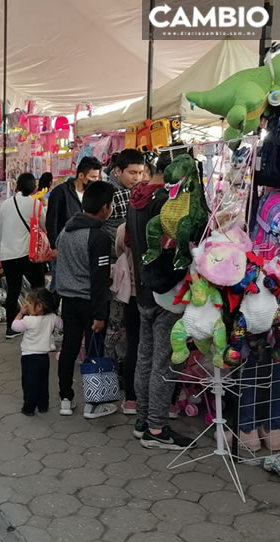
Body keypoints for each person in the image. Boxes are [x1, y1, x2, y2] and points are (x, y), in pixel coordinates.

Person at [127, 152, 194, 450]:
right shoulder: (166, 201)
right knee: (162, 364)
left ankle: (143, 421)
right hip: (167, 292)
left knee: (145, 358)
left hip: (144, 288)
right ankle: (156, 429)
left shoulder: (137, 197)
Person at [54, 181, 119, 419]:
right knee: (94, 350)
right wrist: (101, 314)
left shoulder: (66, 231)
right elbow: (99, 279)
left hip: (68, 300)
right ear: (104, 207)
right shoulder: (98, 236)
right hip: (90, 303)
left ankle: (65, 398)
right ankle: (95, 403)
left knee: (69, 349)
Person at [0, 173, 47, 339]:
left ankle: (11, 328)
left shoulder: (5, 204)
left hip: (7, 254)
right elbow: (44, 226)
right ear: (34, 188)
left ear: (17, 186)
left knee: (13, 290)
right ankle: (37, 324)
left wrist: (0, 248)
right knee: (38, 287)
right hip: (27, 254)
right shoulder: (35, 204)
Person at [46, 157, 102, 291]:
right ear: (81, 175)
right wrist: (54, 246)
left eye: (97, 177)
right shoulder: (61, 192)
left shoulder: (93, 194)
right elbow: (51, 220)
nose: (96, 181)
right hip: (63, 248)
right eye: (93, 177)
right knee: (58, 285)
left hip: (83, 249)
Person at [12, 288, 61, 416]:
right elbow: (62, 325)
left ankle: (29, 408)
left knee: (29, 383)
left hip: (29, 357)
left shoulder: (28, 320)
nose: (26, 305)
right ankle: (43, 405)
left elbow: (14, 326)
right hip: (44, 358)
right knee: (42, 382)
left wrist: (21, 313)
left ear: (39, 306)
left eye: (29, 302)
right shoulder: (52, 318)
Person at [104, 149, 146, 245]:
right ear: (118, 171)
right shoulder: (108, 193)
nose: (137, 178)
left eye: (140, 173)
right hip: (113, 253)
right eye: (132, 173)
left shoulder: (137, 190)